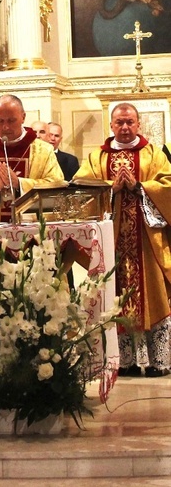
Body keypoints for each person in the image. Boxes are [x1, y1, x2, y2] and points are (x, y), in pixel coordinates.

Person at [73, 102, 171, 378]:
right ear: (111, 125)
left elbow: (168, 184)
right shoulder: (97, 159)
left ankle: (160, 360)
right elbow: (81, 190)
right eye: (119, 122)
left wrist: (140, 187)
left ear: (138, 124)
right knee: (115, 297)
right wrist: (110, 190)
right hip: (111, 241)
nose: (125, 127)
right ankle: (124, 360)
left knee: (156, 297)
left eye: (130, 122)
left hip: (147, 240)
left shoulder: (153, 154)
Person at [0, 94, 65, 222]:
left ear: (23, 117)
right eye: (0, 121)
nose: (5, 127)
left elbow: (56, 186)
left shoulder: (43, 151)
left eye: (11, 120)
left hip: (33, 233)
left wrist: (19, 183)